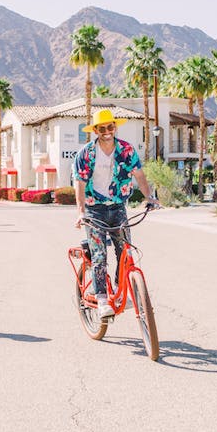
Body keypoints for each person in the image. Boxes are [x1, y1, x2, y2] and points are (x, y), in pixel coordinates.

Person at [74, 109, 158, 318]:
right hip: (94, 210)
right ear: (95, 130)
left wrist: (149, 197)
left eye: (110, 127)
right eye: (102, 128)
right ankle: (102, 299)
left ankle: (121, 293)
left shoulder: (126, 150)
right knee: (99, 254)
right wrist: (81, 212)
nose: (107, 131)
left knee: (125, 250)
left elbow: (139, 174)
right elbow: (80, 183)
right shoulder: (86, 154)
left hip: (118, 206)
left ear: (115, 127)